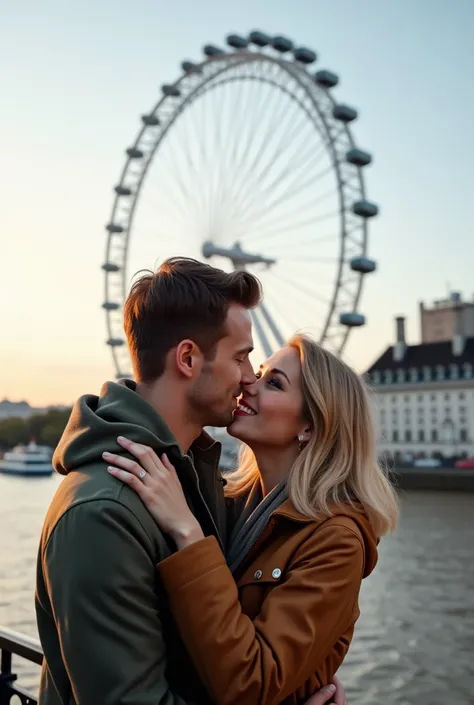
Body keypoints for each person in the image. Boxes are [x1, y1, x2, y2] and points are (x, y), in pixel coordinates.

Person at [35, 257, 343, 705]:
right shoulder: (103, 513)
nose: (247, 378)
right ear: (187, 358)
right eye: (240, 357)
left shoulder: (197, 483)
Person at [105, 334, 400, 705]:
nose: (249, 385)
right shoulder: (226, 501)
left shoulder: (337, 540)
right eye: (258, 373)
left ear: (311, 425)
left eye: (273, 383)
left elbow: (254, 683)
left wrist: (189, 535)